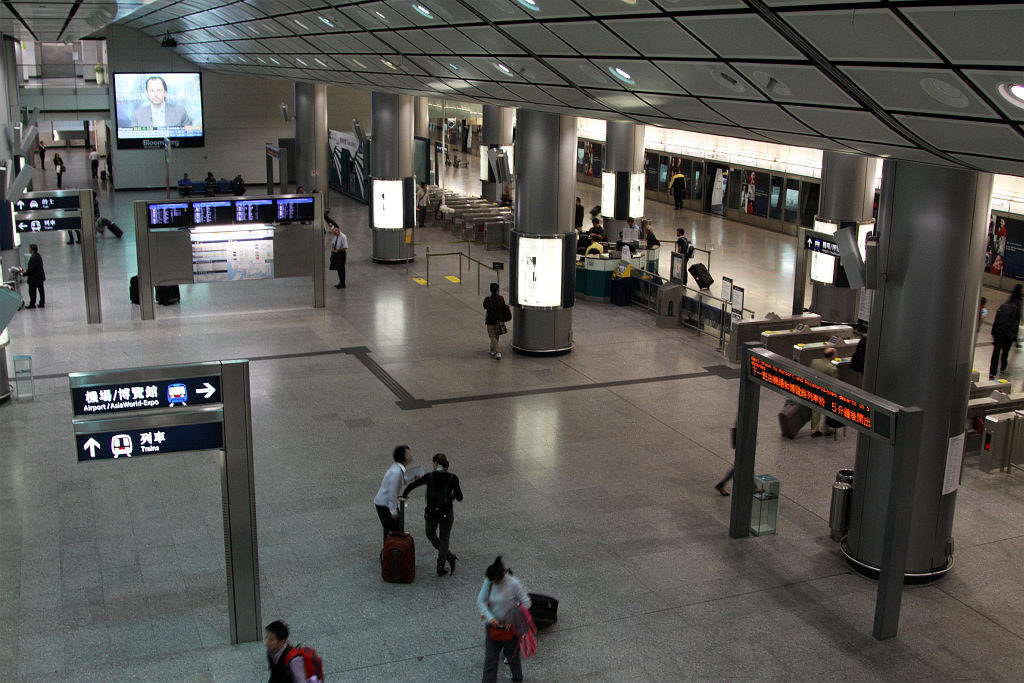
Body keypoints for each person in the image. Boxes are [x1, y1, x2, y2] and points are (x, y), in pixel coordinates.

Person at [402, 453, 463, 576]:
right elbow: (460, 497)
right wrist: (450, 497)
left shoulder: (430, 476)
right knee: (444, 538)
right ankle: (441, 566)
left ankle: (449, 556)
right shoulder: (453, 478)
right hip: (447, 512)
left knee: (430, 533)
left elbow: (413, 485)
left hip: (431, 512)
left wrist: (404, 495)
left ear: (435, 463)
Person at [477, 556, 531, 683]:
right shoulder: (489, 581)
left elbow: (526, 602)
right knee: (490, 659)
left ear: (503, 574)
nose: (494, 584)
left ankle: (517, 678)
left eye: (496, 581)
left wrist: (512, 618)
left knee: (512, 657)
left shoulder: (513, 583)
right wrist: (490, 618)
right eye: (492, 581)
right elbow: (481, 600)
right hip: (493, 627)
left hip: (510, 628)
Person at [373, 445, 416, 542]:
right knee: (395, 530)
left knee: (392, 529)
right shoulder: (396, 472)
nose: (411, 455)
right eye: (408, 453)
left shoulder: (397, 468)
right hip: (385, 504)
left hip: (385, 503)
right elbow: (391, 493)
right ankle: (391, 553)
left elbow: (400, 481)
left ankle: (389, 551)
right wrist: (393, 511)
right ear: (403, 457)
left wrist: (412, 477)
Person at [989, 285, 1022, 380]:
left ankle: (992, 372)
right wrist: (1015, 338)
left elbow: (996, 320)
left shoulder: (1003, 306)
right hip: (1008, 335)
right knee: (1005, 352)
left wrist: (993, 332)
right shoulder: (1017, 306)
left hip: (998, 334)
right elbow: (1015, 324)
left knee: (995, 352)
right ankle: (1003, 367)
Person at [810, 348, 839, 437]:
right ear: (832, 356)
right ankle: (826, 428)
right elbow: (834, 382)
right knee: (829, 410)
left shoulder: (814, 361)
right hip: (825, 392)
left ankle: (815, 430)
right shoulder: (832, 368)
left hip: (814, 388)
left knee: (815, 410)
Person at [483, 282, 508, 360]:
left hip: (490, 320)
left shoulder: (488, 299)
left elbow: (484, 306)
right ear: (497, 290)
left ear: (490, 290)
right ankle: (492, 349)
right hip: (499, 320)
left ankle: (497, 352)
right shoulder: (501, 298)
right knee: (496, 335)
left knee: (492, 336)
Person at [23, 243, 45, 309]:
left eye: (29, 248)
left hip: (34, 278)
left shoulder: (33, 258)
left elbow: (31, 269)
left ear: (32, 249)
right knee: (41, 290)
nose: (28, 249)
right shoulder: (38, 255)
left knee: (32, 291)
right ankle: (42, 302)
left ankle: (32, 304)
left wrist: (24, 274)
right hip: (40, 276)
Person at [329, 224, 347, 289]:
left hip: (341, 253)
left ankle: (343, 283)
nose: (334, 235)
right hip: (336, 253)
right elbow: (333, 243)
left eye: (335, 233)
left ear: (338, 231)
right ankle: (340, 282)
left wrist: (337, 250)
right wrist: (333, 249)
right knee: (338, 268)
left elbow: (345, 247)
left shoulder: (343, 237)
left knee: (342, 268)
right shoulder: (336, 236)